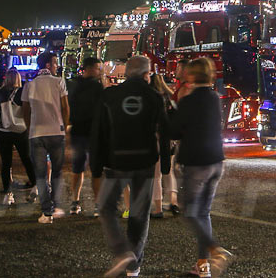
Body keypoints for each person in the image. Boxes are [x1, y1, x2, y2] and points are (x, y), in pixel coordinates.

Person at [92, 56, 171, 278]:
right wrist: (165, 165)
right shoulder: (155, 97)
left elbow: (99, 131)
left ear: (127, 73)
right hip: (145, 161)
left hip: (116, 160)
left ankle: (121, 251)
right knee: (139, 214)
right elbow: (164, 132)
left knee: (106, 207)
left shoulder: (109, 95)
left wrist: (96, 165)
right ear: (147, 75)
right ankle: (133, 265)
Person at [171, 58, 233, 278]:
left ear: (192, 75)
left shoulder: (190, 100)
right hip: (216, 160)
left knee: (189, 211)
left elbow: (174, 131)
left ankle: (215, 250)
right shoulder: (214, 98)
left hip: (196, 162)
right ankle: (203, 267)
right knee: (203, 213)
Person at [23, 52, 70, 223]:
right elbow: (66, 107)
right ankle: (56, 204)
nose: (57, 66)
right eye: (55, 63)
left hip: (37, 133)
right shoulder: (59, 82)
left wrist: (30, 128)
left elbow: (25, 110)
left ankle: (46, 212)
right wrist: (63, 126)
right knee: (57, 172)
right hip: (56, 132)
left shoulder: (30, 85)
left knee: (41, 174)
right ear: (48, 66)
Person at [0, 68, 36, 205]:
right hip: (21, 130)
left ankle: (7, 193)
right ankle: (35, 186)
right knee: (26, 159)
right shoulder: (22, 93)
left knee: (6, 162)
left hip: (3, 130)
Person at [68, 57, 104, 216]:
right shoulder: (97, 87)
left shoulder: (74, 85)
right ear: (89, 68)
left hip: (78, 131)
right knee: (96, 170)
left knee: (78, 169)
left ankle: (75, 202)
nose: (99, 71)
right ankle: (97, 205)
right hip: (93, 133)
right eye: (97, 68)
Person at [149, 72, 178, 218]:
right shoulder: (169, 97)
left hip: (156, 138)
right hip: (170, 139)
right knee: (169, 170)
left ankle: (158, 207)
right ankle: (174, 201)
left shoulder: (152, 98)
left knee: (156, 175)